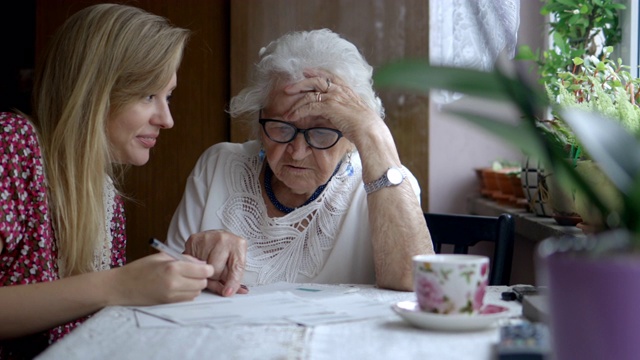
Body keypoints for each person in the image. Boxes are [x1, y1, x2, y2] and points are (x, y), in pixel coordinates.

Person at [0, 4, 240, 359]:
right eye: (148, 96)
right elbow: (104, 292)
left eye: (168, 96)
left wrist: (181, 281)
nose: (167, 119)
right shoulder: (12, 144)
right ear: (93, 92)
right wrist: (117, 285)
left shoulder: (105, 197)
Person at [167, 29, 434, 291]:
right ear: (260, 121)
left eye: (320, 132)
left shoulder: (387, 184)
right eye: (282, 127)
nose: (297, 151)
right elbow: (167, 282)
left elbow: (415, 284)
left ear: (351, 137)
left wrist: (373, 133)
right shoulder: (218, 166)